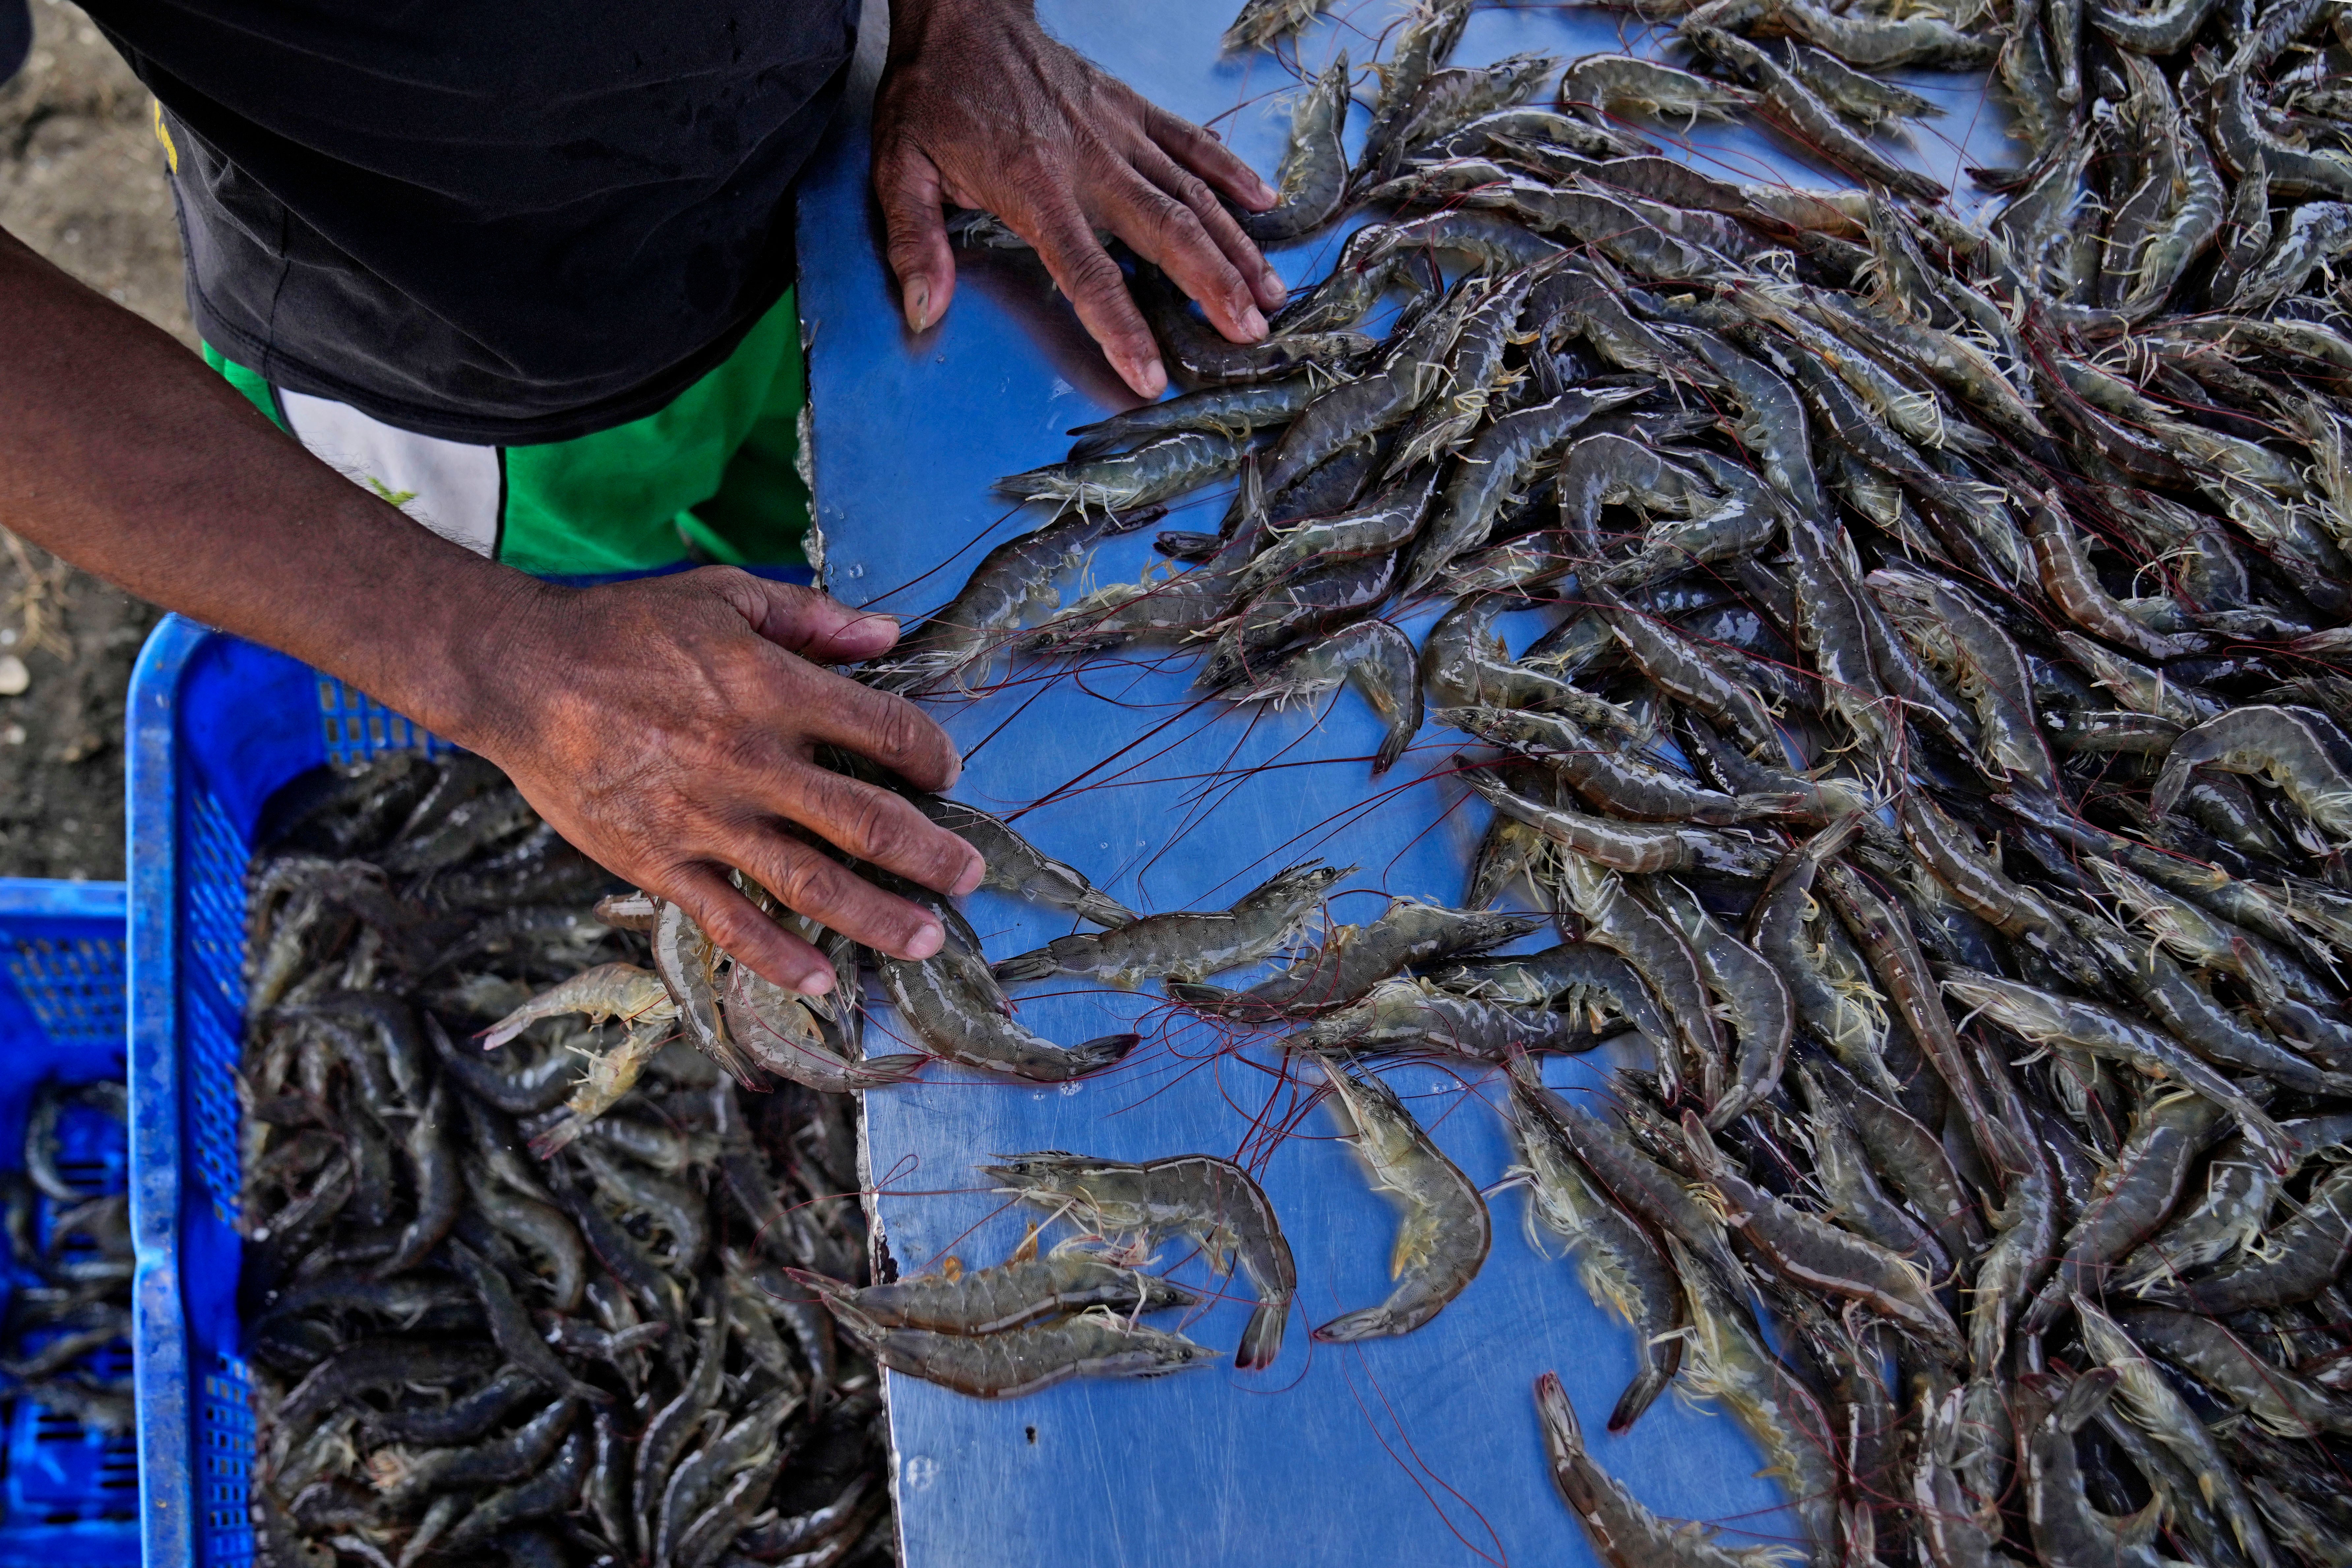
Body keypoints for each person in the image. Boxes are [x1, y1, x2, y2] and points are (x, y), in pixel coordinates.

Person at [0, 0, 1284, 993]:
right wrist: (496, 657)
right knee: (635, 756)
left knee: (865, 632)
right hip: (476, 388)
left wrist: (965, 22)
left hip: (843, 179)